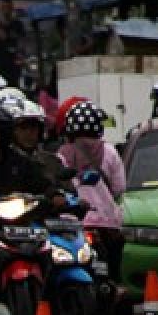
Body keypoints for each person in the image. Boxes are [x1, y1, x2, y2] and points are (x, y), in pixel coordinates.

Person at [57, 100, 126, 291]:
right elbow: (120, 188)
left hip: (74, 223)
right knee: (114, 267)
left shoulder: (61, 155)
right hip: (107, 223)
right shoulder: (110, 152)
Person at [11, 100, 73, 193]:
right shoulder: (5, 161)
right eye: (23, 127)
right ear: (13, 131)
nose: (28, 133)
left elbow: (68, 192)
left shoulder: (52, 161)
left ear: (40, 131)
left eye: (33, 127)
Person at [0, 0, 27, 86]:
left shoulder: (18, 24)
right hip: (0, 61)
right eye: (4, 8)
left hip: (14, 61)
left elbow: (22, 40)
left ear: (11, 9)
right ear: (1, 9)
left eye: (8, 7)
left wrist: (21, 55)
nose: (6, 10)